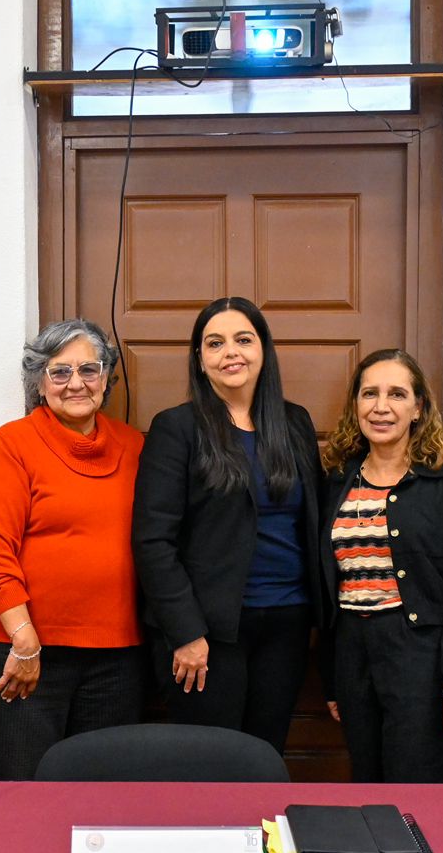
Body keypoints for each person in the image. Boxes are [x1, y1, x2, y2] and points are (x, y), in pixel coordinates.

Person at [132, 297, 322, 755]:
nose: (230, 352)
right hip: (208, 634)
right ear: (199, 358)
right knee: (213, 764)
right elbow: (153, 540)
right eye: (214, 343)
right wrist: (185, 632)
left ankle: (259, 832)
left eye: (243, 339)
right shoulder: (176, 428)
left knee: (265, 755)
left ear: (263, 349)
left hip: (287, 624)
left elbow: (311, 521)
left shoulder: (294, 423)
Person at [0, 320, 146, 779]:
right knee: (19, 797)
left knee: (101, 804)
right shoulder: (14, 443)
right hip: (24, 653)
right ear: (39, 382)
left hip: (117, 659)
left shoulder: (136, 446)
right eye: (59, 372)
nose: (76, 384)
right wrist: (25, 641)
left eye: (89, 369)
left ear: (106, 377)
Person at [317, 349, 443, 783]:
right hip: (353, 654)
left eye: (397, 394)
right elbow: (325, 585)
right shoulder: (337, 480)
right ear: (355, 405)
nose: (381, 407)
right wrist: (332, 679)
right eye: (369, 394)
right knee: (368, 783)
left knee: (421, 790)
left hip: (422, 659)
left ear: (418, 408)